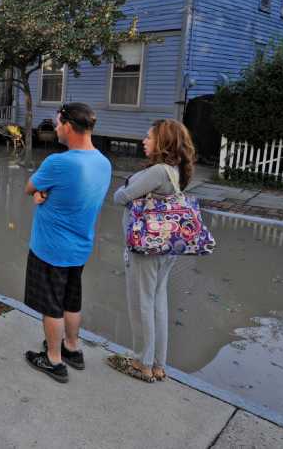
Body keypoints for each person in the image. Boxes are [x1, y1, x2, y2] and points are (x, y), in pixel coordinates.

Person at [24, 102, 112, 384]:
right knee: (71, 301)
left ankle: (53, 360)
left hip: (50, 249)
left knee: (51, 305)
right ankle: (72, 348)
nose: (56, 128)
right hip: (79, 247)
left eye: (58, 123)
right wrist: (44, 194)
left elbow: (30, 187)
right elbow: (73, 196)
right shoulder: (103, 162)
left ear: (70, 127)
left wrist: (39, 193)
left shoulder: (59, 162)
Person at [109, 119, 197, 383]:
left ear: (163, 142)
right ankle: (158, 364)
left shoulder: (158, 171)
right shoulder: (177, 170)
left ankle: (141, 362)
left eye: (148, 137)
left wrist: (128, 184)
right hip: (167, 246)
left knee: (141, 302)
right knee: (158, 301)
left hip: (147, 246)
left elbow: (119, 197)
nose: (143, 141)